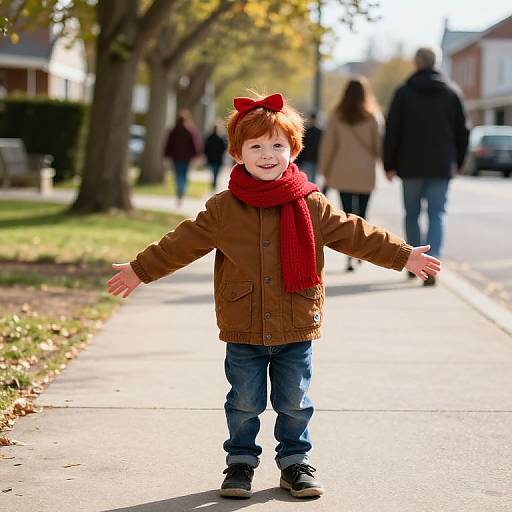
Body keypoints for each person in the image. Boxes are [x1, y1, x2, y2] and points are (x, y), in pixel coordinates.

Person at [107, 92, 441, 500]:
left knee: (295, 401)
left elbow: (356, 233)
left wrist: (402, 256)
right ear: (238, 153)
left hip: (297, 320)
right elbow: (181, 243)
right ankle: (240, 463)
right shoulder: (223, 209)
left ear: (293, 150)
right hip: (243, 324)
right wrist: (140, 269)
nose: (268, 155)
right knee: (244, 402)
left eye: (277, 146)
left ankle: (295, 463)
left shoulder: (311, 204)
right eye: (257, 147)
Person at [383, 47, 470, 286]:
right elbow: (463, 131)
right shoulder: (452, 92)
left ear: (415, 63)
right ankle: (431, 266)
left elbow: (392, 130)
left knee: (412, 213)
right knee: (436, 214)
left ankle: (413, 262)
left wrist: (389, 164)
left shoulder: (404, 92)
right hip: (441, 165)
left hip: (409, 165)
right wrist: (459, 162)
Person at [318, 76, 383, 272]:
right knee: (362, 215)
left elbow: (329, 146)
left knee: (347, 216)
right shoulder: (373, 117)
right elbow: (378, 147)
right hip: (365, 172)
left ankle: (349, 257)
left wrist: (325, 171)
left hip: (342, 171)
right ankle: (361, 252)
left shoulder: (337, 116)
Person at [164, 110, 202, 208]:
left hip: (175, 157)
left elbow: (169, 144)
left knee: (178, 174)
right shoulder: (190, 130)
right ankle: (182, 189)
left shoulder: (174, 130)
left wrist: (166, 155)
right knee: (184, 174)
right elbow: (194, 144)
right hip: (186, 157)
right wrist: (196, 155)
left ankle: (180, 190)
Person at [295, 112, 322, 184]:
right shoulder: (320, 132)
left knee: (308, 178)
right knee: (310, 179)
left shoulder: (306, 131)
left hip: (310, 159)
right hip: (310, 159)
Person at [204, 124, 227, 191]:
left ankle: (213, 183)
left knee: (213, 172)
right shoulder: (221, 138)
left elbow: (206, 148)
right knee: (215, 172)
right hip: (218, 159)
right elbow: (224, 148)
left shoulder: (210, 137)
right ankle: (214, 182)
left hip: (211, 159)